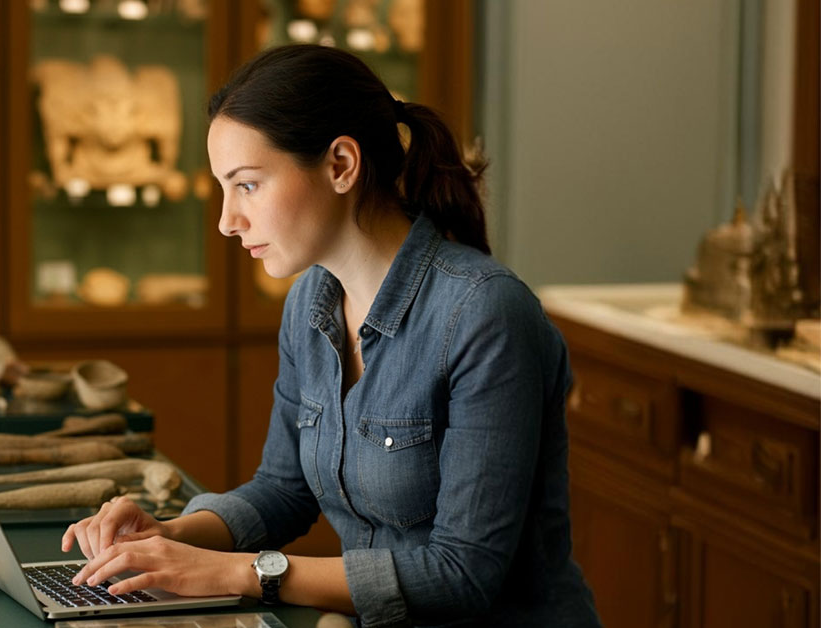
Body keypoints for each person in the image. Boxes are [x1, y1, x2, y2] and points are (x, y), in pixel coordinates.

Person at [61, 44, 602, 627]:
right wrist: (171, 537)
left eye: (247, 185)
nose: (226, 220)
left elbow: (461, 573)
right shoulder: (310, 303)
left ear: (341, 164)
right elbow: (283, 489)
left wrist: (233, 572)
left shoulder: (484, 313)